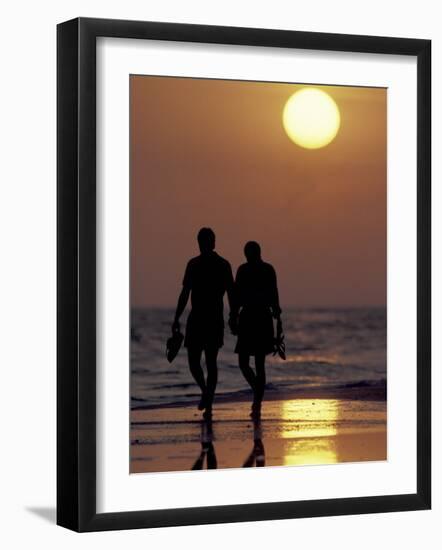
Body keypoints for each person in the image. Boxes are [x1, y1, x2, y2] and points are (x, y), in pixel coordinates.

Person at [172, 228, 235, 419]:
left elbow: (231, 293)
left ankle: (208, 401)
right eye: (204, 241)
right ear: (199, 243)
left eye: (208, 241)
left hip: (213, 318)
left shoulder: (223, 265)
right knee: (194, 361)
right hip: (197, 318)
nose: (206, 245)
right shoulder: (193, 264)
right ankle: (206, 392)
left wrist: (233, 315)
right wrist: (176, 317)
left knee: (210, 361)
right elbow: (185, 294)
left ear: (213, 243)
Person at [231, 241, 281, 419]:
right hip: (252, 318)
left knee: (257, 364)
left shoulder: (263, 269)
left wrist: (278, 317)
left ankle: (257, 401)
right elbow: (236, 297)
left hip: (258, 317)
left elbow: (274, 295)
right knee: (245, 363)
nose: (248, 256)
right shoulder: (245, 270)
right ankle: (257, 393)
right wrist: (233, 317)